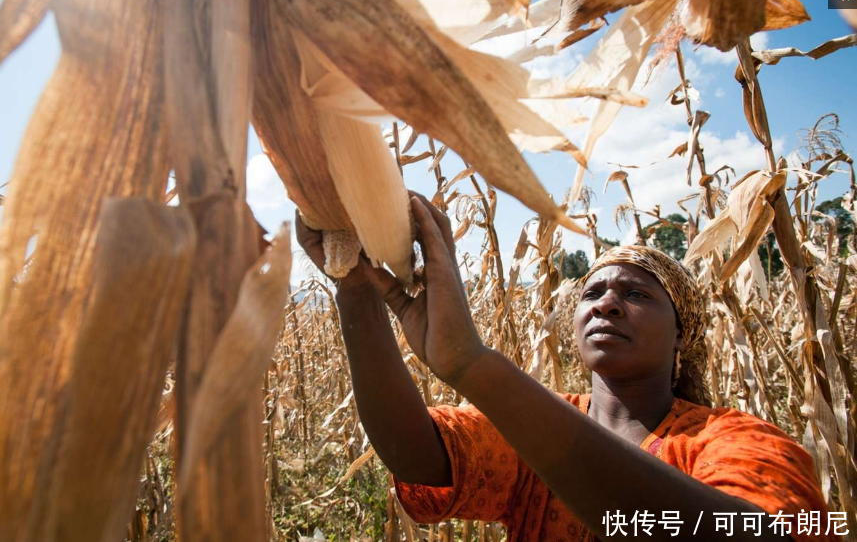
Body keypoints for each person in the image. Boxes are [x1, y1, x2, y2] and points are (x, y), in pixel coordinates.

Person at [296, 193, 840, 542]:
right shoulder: (536, 425)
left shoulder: (737, 441)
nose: (606, 304)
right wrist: (354, 287)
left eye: (636, 294)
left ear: (683, 335)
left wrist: (473, 365)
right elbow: (415, 454)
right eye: (593, 292)